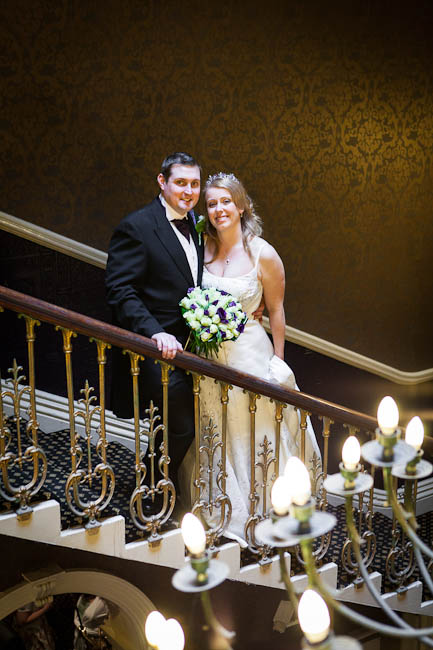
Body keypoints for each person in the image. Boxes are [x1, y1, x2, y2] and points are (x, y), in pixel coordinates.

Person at [180, 172, 321, 547]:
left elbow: (276, 311)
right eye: (211, 204)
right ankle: (224, 509)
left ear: (241, 205)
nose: (219, 209)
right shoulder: (200, 248)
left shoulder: (263, 252)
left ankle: (267, 511)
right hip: (210, 360)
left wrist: (278, 361)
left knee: (255, 431)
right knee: (219, 429)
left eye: (226, 201)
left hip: (251, 356)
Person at [106, 152, 204, 492]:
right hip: (152, 348)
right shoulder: (138, 226)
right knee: (183, 425)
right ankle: (150, 489)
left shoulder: (196, 224)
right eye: (180, 182)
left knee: (171, 425)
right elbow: (120, 289)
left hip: (189, 350)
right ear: (162, 182)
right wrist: (155, 332)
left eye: (194, 183)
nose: (188, 191)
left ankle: (155, 492)